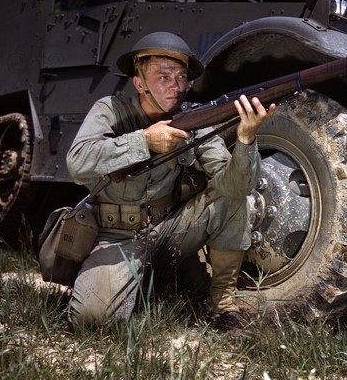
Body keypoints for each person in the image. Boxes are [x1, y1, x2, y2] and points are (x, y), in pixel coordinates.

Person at [66, 32, 275, 329]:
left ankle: (221, 304)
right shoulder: (110, 111)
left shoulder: (195, 122)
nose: (175, 86)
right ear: (139, 83)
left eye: (180, 77)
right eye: (163, 76)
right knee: (92, 320)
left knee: (230, 198)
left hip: (171, 230)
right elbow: (77, 163)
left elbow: (236, 187)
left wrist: (245, 138)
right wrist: (144, 142)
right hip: (117, 235)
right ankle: (139, 277)